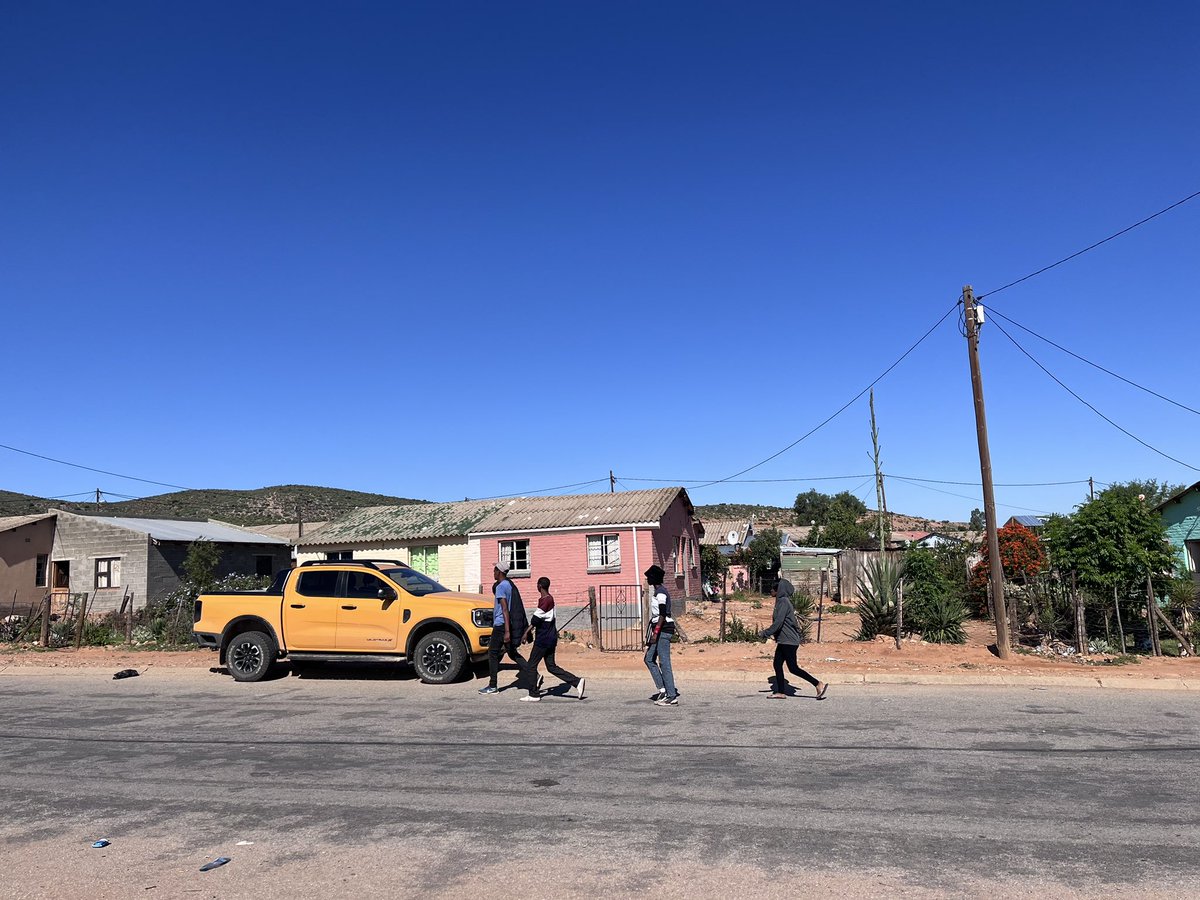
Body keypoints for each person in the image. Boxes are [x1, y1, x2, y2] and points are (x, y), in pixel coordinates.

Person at [518, 577, 586, 702]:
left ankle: (533, 694)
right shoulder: (549, 599)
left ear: (539, 586)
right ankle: (577, 681)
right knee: (551, 667)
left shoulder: (546, 601)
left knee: (531, 665)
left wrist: (525, 634)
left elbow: (535, 620)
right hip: (550, 638)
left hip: (543, 640)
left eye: (537, 585)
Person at [762, 578, 827, 700]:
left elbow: (778, 622)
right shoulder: (781, 602)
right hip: (784, 640)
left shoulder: (783, 602)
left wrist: (766, 633)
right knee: (777, 664)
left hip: (789, 641)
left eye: (773, 588)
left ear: (778, 590)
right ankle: (780, 692)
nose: (771, 590)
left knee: (793, 668)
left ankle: (817, 683)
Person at [479, 561, 529, 695]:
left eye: (495, 570)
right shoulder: (509, 585)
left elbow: (505, 609)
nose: (493, 573)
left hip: (501, 625)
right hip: (506, 624)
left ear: (499, 572)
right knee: (512, 653)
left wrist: (507, 631)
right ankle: (533, 674)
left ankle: (493, 685)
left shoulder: (501, 587)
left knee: (492, 653)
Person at [643, 564, 679, 706]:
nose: (647, 580)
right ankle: (663, 689)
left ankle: (671, 696)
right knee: (649, 658)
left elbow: (663, 614)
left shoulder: (661, 593)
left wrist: (655, 633)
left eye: (648, 578)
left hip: (663, 630)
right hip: (658, 629)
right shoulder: (658, 592)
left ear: (654, 579)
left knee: (664, 662)